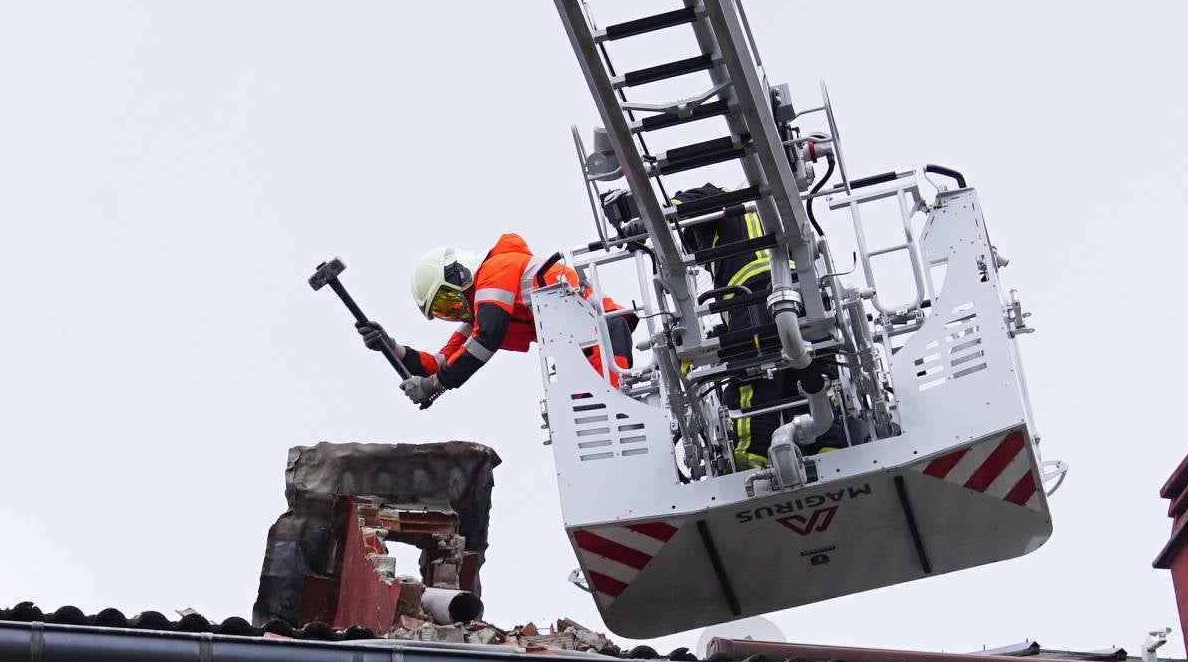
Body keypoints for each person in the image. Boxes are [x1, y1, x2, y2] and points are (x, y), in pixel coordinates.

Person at [672, 184, 841, 468]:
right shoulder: (767, 206)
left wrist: (652, 214)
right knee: (810, 369)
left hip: (749, 300)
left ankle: (751, 456)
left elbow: (683, 202)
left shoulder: (719, 203)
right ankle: (830, 444)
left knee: (753, 377)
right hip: (801, 293)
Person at [358, 233, 633, 407]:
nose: (453, 311)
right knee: (590, 424)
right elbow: (441, 362)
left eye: (447, 301)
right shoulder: (485, 309)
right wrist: (391, 347)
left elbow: (486, 339)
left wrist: (433, 385)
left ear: (459, 276)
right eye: (443, 311)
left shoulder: (496, 269)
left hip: (601, 335)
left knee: (598, 420)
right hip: (584, 346)